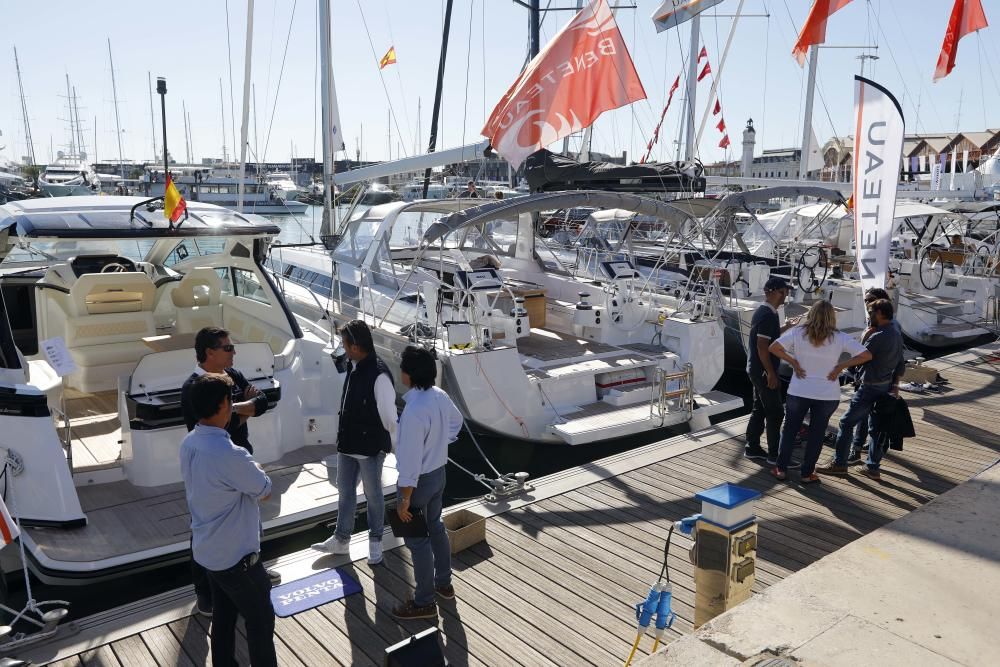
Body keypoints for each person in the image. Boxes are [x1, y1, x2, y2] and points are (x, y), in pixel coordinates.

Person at [180, 373, 276, 667]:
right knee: (261, 620)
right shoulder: (229, 454)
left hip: (209, 553)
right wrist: (254, 465)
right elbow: (264, 490)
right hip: (237, 559)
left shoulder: (189, 442)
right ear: (223, 406)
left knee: (224, 617)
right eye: (230, 400)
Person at [312, 320, 397, 565]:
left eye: (345, 344)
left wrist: (391, 446)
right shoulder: (353, 364)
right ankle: (341, 539)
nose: (342, 348)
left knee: (373, 495)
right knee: (345, 492)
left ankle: (375, 541)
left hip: (370, 448)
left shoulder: (379, 374)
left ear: (356, 347)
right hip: (348, 445)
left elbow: (390, 418)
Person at [391, 346, 464, 620]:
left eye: (403, 369)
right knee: (435, 526)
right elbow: (456, 423)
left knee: (417, 541)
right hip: (439, 475)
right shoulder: (440, 396)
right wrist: (439, 443)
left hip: (417, 483)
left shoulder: (413, 411)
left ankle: (423, 602)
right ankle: (443, 584)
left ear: (409, 375)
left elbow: (409, 463)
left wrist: (404, 499)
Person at [768, 301, 871, 483]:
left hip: (799, 390)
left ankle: (781, 469)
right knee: (817, 433)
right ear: (832, 317)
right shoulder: (839, 337)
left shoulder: (798, 333)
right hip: (827, 394)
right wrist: (841, 366)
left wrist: (794, 363)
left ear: (811, 314)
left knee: (790, 430)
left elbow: (773, 347)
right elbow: (866, 355)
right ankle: (807, 474)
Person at [817, 299, 906, 481]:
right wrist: (895, 385)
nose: (869, 315)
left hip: (869, 387)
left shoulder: (879, 335)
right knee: (877, 428)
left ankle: (840, 464)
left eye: (871, 311)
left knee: (846, 423)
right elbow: (900, 363)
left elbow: (862, 356)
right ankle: (872, 467)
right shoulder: (896, 333)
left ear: (880, 313)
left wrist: (840, 365)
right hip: (885, 386)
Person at [744, 276, 800, 464]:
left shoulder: (768, 312)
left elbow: (768, 337)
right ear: (774, 291)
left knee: (759, 409)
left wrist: (787, 327)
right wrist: (771, 373)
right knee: (776, 412)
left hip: (756, 369)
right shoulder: (768, 314)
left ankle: (752, 448)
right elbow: (762, 346)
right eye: (784, 291)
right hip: (763, 371)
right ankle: (775, 456)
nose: (786, 295)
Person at [847, 287, 900, 463]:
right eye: (865, 301)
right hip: (865, 379)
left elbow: (899, 359)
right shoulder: (873, 325)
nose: (867, 304)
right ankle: (859, 451)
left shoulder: (891, 328)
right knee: (865, 420)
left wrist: (896, 385)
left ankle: (870, 459)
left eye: (870, 300)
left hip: (879, 382)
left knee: (872, 422)